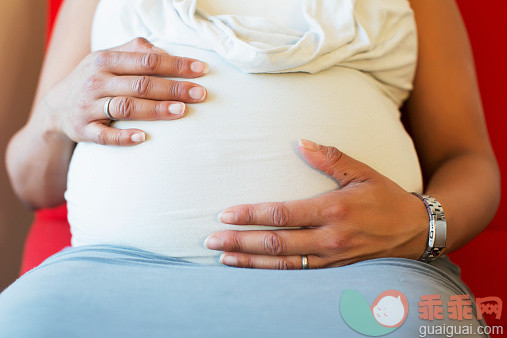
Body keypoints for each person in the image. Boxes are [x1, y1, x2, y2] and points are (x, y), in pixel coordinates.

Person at [0, 0, 500, 336]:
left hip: (366, 276)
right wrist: (54, 113)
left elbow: (468, 159)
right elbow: (32, 184)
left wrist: (422, 224)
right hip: (104, 277)